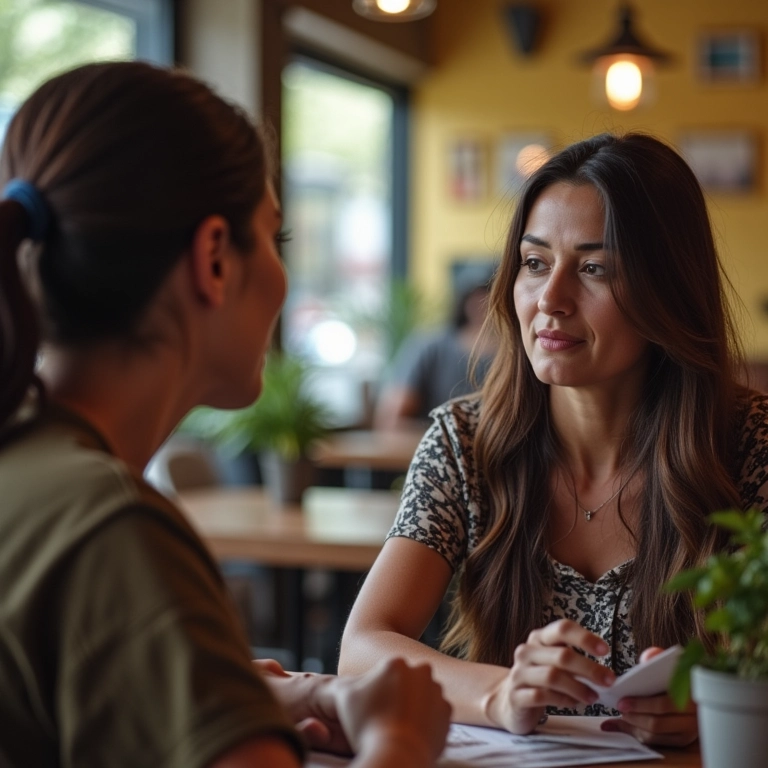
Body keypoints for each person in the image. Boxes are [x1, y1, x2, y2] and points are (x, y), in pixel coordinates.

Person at [0, 61, 451, 768]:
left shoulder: (27, 467)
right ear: (213, 259)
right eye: (275, 237)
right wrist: (402, 738)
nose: (282, 275)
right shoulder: (112, 530)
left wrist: (253, 697)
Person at [339, 132, 768, 747]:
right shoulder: (465, 443)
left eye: (595, 269)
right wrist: (500, 693)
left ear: (668, 288)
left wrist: (730, 703)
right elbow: (361, 649)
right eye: (535, 263)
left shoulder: (751, 444)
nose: (551, 299)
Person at [374, 272, 497, 431]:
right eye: (479, 297)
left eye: (492, 297)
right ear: (466, 301)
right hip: (427, 439)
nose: (484, 305)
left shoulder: (517, 353)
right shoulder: (429, 346)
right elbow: (393, 417)